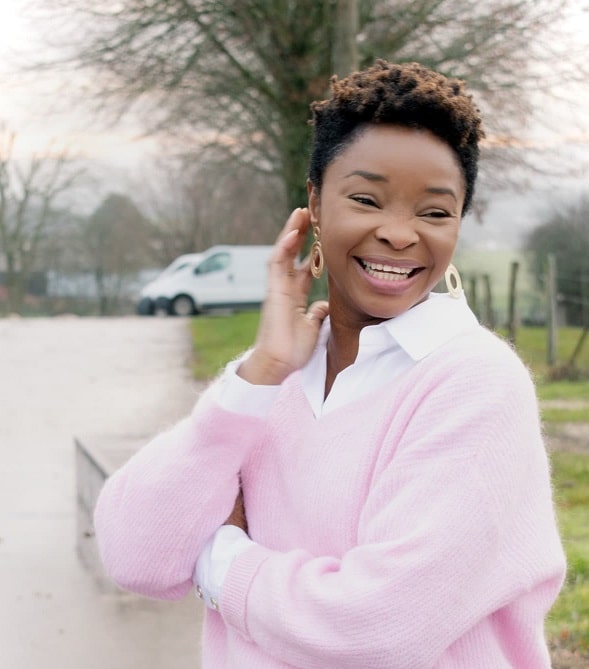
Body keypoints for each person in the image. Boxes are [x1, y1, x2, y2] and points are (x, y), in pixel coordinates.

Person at [94, 60, 566, 668]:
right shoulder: (270, 380)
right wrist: (259, 373)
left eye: (434, 212)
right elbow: (135, 554)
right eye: (366, 199)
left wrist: (218, 558)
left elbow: (377, 626)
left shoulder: (474, 382)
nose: (400, 234)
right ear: (315, 202)